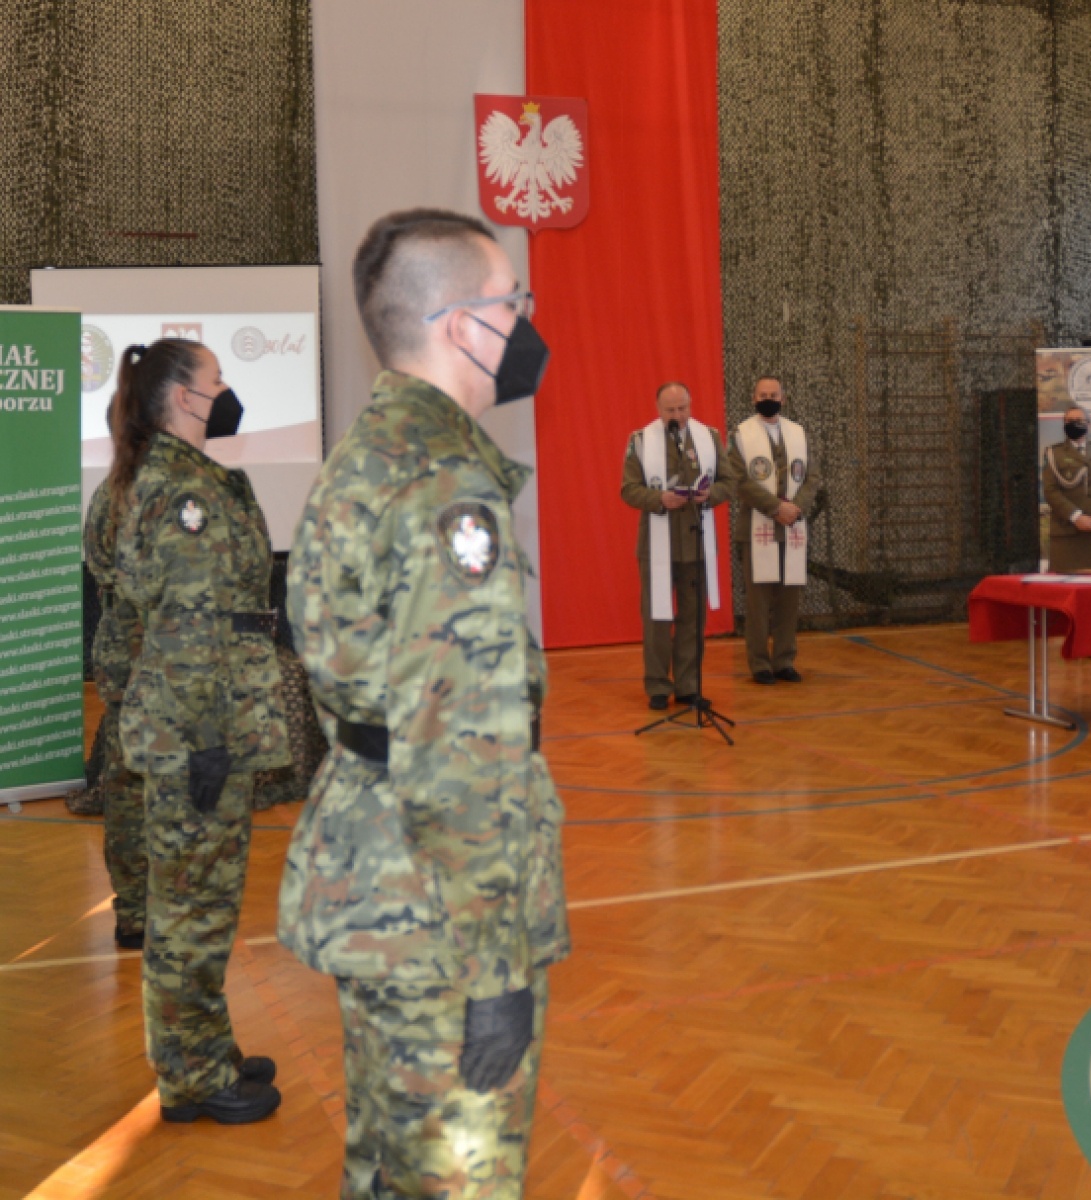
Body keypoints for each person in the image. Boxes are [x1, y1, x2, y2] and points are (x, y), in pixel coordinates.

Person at [280, 208, 569, 1199]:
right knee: (456, 1176)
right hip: (439, 911)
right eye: (515, 303)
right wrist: (495, 969)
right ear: (461, 324)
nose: (527, 324)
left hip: (377, 874)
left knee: (387, 1162)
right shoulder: (450, 488)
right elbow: (464, 751)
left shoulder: (369, 453)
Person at [110, 338, 287, 1123]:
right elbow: (190, 631)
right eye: (218, 380)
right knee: (190, 909)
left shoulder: (189, 480)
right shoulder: (183, 496)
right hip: (198, 731)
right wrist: (212, 736)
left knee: (207, 904)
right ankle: (188, 1077)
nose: (227, 393)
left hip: (205, 725)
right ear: (184, 396)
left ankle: (206, 1044)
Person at [620, 382, 735, 709]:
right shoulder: (640, 441)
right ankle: (658, 685)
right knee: (657, 616)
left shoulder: (709, 438)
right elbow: (628, 490)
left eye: (682, 408)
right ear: (658, 410)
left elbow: (728, 482)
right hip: (657, 543)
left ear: (690, 405)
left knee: (692, 617)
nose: (678, 415)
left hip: (695, 541)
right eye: (670, 410)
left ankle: (688, 685)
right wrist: (659, 498)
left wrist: (709, 495)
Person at [83, 475, 146, 948]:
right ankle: (142, 909)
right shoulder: (136, 489)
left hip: (126, 653)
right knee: (131, 787)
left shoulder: (111, 488)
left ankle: (135, 911)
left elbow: (103, 568)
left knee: (128, 785)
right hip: (145, 656)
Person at [727, 376, 824, 685]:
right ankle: (759, 663)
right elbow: (739, 480)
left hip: (792, 528)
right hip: (757, 527)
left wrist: (796, 507)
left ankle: (784, 659)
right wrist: (775, 507)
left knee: (789, 599)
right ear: (754, 399)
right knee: (758, 602)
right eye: (762, 394)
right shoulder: (741, 434)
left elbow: (813, 475)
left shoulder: (798, 433)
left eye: (774, 394)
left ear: (783, 398)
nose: (768, 398)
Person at [1042, 405, 1091, 571]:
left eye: (1079, 421)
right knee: (1063, 588)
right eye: (1069, 421)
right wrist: (1076, 517)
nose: (1074, 424)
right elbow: (1050, 490)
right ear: (1064, 425)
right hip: (1066, 533)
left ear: (1089, 425)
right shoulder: (1053, 454)